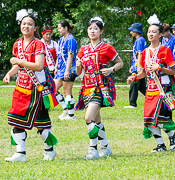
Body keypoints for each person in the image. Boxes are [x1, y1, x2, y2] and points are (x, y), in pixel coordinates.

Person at [2, 12, 57, 162]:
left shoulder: (39, 44)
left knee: (41, 122)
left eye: (30, 24)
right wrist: (9, 73)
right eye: (24, 24)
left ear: (35, 28)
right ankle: (20, 153)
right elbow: (19, 66)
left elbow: (38, 66)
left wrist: (19, 62)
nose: (26, 26)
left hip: (36, 89)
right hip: (20, 87)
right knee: (14, 118)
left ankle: (49, 150)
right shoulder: (17, 44)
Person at [128, 16, 175, 153]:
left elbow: (173, 71)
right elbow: (143, 73)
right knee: (148, 119)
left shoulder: (165, 51)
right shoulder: (145, 52)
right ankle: (160, 145)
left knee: (161, 119)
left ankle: (172, 135)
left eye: (154, 32)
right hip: (150, 89)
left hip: (163, 89)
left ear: (160, 34)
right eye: (149, 32)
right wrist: (134, 77)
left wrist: (160, 68)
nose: (151, 34)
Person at [76, 17, 123, 159]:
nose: (92, 31)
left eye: (96, 28)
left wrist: (111, 69)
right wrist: (78, 66)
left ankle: (93, 150)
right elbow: (78, 72)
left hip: (101, 87)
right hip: (86, 88)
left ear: (101, 31)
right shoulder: (83, 49)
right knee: (96, 120)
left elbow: (119, 62)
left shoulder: (107, 48)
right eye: (90, 28)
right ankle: (106, 147)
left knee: (88, 118)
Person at [55, 20, 78, 120]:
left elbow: (70, 56)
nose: (59, 30)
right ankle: (65, 109)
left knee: (66, 91)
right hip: (60, 69)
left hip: (69, 69)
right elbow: (59, 55)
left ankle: (71, 115)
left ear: (66, 28)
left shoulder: (71, 39)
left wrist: (67, 70)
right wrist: (56, 67)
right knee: (52, 89)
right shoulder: (61, 39)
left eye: (60, 28)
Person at [126, 22, 147, 108]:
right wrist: (133, 65)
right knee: (142, 87)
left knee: (133, 84)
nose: (130, 32)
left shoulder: (139, 41)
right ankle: (153, 97)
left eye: (132, 30)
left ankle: (132, 104)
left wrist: (138, 66)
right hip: (137, 65)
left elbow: (140, 54)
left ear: (136, 31)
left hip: (139, 66)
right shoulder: (140, 40)